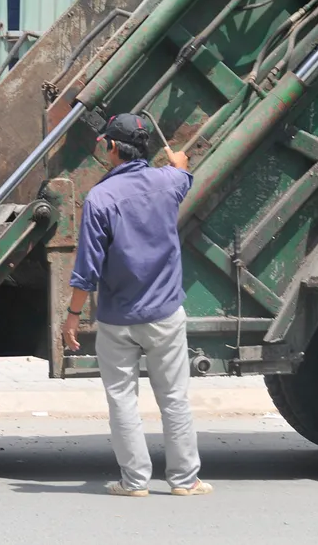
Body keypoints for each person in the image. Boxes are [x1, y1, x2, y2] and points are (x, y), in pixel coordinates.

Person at [62, 113, 213, 498]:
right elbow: (182, 173)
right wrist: (179, 162)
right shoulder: (168, 183)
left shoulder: (100, 198)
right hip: (164, 314)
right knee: (174, 398)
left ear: (112, 147)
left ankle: (134, 482)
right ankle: (185, 480)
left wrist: (72, 317)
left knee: (122, 401)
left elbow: (87, 268)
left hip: (118, 320)